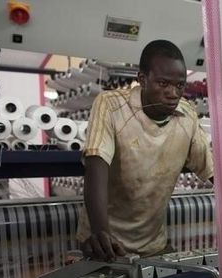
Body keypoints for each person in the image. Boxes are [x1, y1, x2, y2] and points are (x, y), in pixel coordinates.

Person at [77, 40, 214, 261]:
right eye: (163, 83)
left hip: (153, 244)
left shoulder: (186, 115)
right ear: (142, 80)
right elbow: (96, 163)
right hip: (106, 243)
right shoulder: (111, 105)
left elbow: (211, 169)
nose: (172, 93)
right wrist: (101, 233)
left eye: (180, 86)